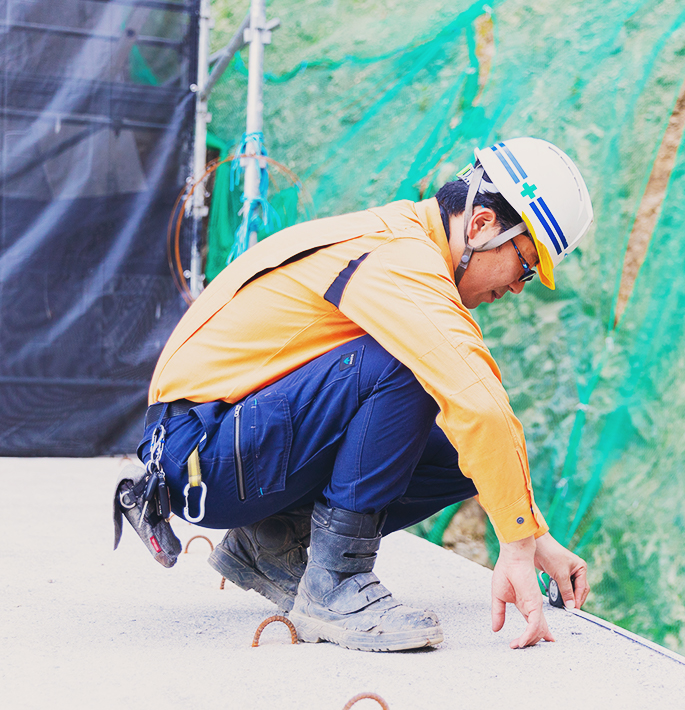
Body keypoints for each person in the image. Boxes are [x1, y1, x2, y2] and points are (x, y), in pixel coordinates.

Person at [137, 138, 593, 652]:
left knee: (463, 457)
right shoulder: (402, 258)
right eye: (526, 265)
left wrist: (535, 536)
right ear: (483, 225)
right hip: (202, 452)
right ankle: (334, 584)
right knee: (408, 360)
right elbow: (480, 401)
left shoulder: (400, 240)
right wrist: (515, 544)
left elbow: (482, 431)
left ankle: (273, 543)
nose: (518, 287)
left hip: (212, 444)